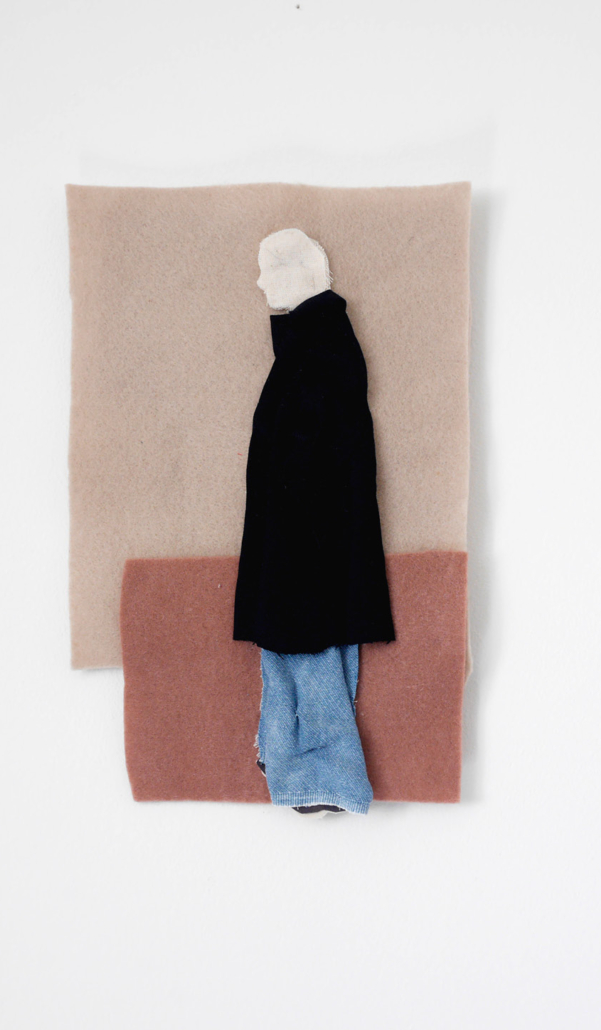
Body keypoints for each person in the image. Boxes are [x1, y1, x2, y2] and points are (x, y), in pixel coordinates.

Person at [233, 228, 395, 818]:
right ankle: (295, 763)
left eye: (269, 269)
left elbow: (305, 450)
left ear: (298, 275)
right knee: (302, 648)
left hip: (304, 538)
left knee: (302, 645)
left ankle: (320, 775)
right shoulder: (316, 344)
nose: (259, 282)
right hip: (307, 534)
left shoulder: (320, 347)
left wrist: (290, 534)